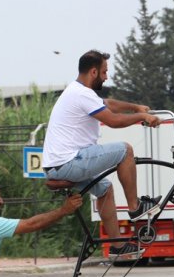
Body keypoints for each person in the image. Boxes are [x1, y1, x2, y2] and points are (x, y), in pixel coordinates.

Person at [42, 49, 162, 258]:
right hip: (69, 162)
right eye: (105, 72)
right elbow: (113, 121)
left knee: (105, 189)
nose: (107, 77)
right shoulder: (82, 94)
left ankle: (116, 245)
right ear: (94, 72)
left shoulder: (77, 91)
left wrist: (135, 107)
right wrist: (142, 117)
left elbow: (109, 104)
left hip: (57, 166)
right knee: (125, 151)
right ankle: (135, 207)